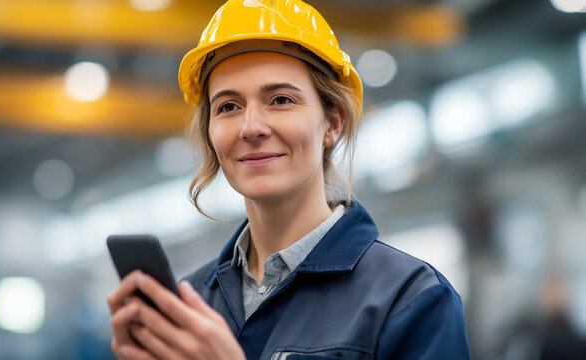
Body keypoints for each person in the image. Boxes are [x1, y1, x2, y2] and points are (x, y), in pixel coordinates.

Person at [107, 0, 472, 359]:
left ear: (332, 123)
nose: (250, 127)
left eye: (280, 99)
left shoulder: (411, 300)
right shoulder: (188, 307)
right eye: (228, 107)